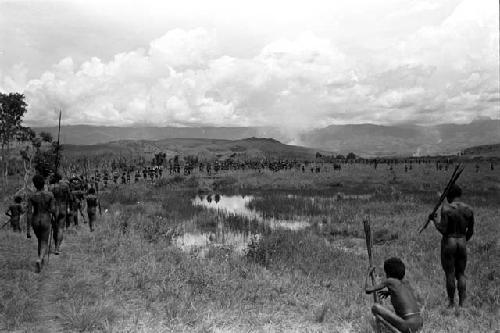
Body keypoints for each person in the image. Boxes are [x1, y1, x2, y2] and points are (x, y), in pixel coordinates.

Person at [429, 183, 474, 308]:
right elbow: (470, 231)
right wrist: (464, 241)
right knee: (461, 273)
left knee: (449, 273)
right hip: (462, 241)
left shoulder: (447, 209)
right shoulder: (469, 209)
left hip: (449, 242)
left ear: (450, 195)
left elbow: (443, 230)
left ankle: (451, 303)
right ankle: (463, 302)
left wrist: (435, 220)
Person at [365, 257, 423, 333]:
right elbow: (403, 295)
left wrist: (368, 273)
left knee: (375, 307)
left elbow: (368, 290)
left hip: (408, 325)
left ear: (388, 273)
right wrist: (389, 293)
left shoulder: (390, 281)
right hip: (419, 323)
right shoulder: (406, 283)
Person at [26, 175, 55, 273]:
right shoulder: (50, 195)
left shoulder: (32, 196)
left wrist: (28, 230)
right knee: (44, 241)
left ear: (34, 185)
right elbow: (52, 210)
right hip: (46, 219)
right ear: (44, 183)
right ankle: (40, 259)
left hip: (35, 220)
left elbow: (29, 213)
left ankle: (41, 262)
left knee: (40, 240)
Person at [50, 174, 70, 255]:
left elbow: (49, 199)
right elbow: (69, 197)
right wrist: (68, 207)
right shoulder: (65, 186)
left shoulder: (51, 187)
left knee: (55, 228)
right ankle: (57, 248)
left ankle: (55, 246)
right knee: (61, 228)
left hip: (54, 208)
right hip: (63, 208)